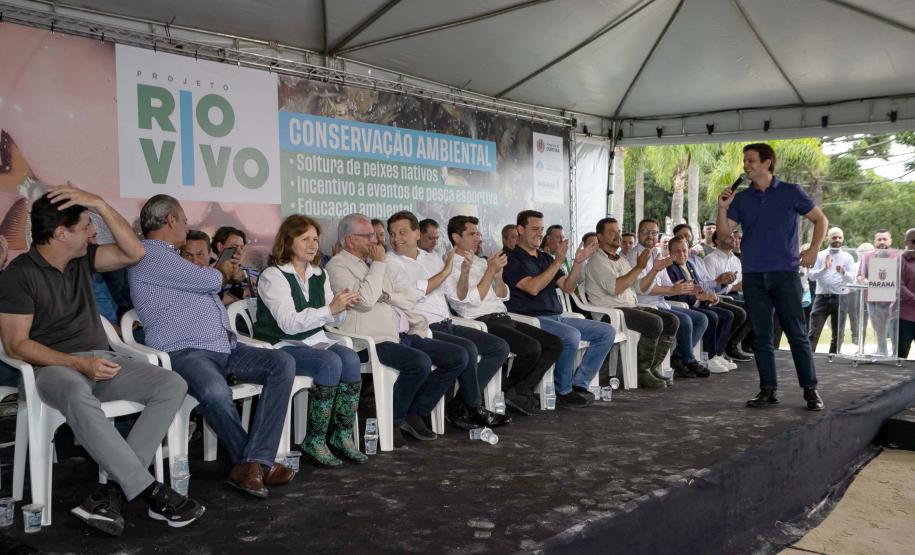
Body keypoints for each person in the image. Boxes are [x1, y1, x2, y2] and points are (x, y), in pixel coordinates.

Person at [0, 186, 205, 535]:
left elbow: (135, 250)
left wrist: (98, 202)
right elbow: (17, 345)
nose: (92, 232)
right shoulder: (19, 275)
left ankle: (110, 492)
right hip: (50, 370)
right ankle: (150, 490)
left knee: (172, 384)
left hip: (100, 361)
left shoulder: (82, 258)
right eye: (85, 226)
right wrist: (78, 364)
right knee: (77, 394)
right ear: (61, 233)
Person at [129, 195, 296, 498]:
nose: (186, 224)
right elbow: (210, 280)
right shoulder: (151, 256)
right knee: (215, 391)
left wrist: (215, 275)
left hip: (225, 347)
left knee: (282, 363)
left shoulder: (172, 259)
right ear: (170, 220)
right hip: (185, 352)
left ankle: (253, 461)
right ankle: (255, 465)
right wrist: (219, 273)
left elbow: (204, 281)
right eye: (183, 219)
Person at [326, 214, 465, 447]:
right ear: (350, 240)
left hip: (398, 334)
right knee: (419, 363)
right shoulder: (338, 266)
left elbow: (409, 296)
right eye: (369, 236)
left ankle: (414, 413)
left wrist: (386, 295)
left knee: (457, 356)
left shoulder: (371, 264)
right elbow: (367, 300)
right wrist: (379, 271)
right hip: (366, 341)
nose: (376, 240)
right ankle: (391, 421)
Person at [717, 142, 827, 411]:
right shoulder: (741, 199)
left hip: (785, 274)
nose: (746, 166)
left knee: (796, 334)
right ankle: (768, 390)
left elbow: (820, 220)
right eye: (745, 161)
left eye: (751, 160)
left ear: (767, 163)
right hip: (753, 275)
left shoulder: (791, 192)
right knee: (762, 336)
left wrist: (813, 250)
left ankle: (810, 390)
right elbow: (722, 235)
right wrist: (722, 207)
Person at [253, 214, 367, 467]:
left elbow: (331, 320)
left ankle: (341, 436)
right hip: (280, 345)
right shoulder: (273, 276)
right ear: (288, 241)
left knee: (349, 358)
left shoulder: (319, 274)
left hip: (312, 341)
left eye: (315, 239)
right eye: (305, 239)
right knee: (329, 363)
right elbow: (289, 324)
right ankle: (314, 440)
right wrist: (331, 309)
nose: (313, 244)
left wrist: (343, 306)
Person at [385, 211, 510, 430]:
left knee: (498, 346)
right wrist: (445, 271)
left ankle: (460, 404)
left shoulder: (431, 258)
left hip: (447, 322)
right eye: (392, 234)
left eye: (402, 232)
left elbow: (459, 295)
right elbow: (414, 293)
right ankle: (470, 408)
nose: (396, 239)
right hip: (421, 327)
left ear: (416, 233)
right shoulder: (391, 262)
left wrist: (463, 272)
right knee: (466, 350)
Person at [446, 215, 562, 416]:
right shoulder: (450, 265)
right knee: (531, 348)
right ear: (456, 237)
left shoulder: (481, 262)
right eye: (472, 233)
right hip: (480, 321)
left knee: (554, 344)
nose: (478, 237)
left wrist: (497, 277)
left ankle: (515, 390)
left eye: (478, 233)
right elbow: (471, 300)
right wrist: (491, 272)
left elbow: (502, 294)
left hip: (503, 316)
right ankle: (467, 402)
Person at [503, 210, 615, 408]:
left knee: (606, 331)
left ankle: (579, 384)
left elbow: (568, 287)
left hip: (557, 316)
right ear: (520, 230)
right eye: (535, 229)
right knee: (570, 335)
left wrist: (578, 262)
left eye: (542, 229)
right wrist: (557, 261)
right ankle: (563, 391)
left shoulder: (545, 258)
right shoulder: (512, 259)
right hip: (530, 319)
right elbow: (532, 288)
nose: (540, 233)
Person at [582, 217, 679, 389]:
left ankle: (651, 367)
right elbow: (615, 288)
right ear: (600, 237)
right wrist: (640, 267)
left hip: (629, 308)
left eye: (618, 231)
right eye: (611, 232)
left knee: (672, 321)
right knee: (654, 323)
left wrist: (655, 270)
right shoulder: (597, 261)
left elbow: (640, 288)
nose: (617, 235)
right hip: (609, 314)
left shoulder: (620, 259)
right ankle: (641, 373)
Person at [628, 218, 710, 379]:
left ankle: (678, 357)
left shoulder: (656, 254)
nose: (650, 236)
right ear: (639, 234)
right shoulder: (634, 255)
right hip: (643, 305)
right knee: (684, 320)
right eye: (646, 232)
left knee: (701, 319)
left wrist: (681, 289)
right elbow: (643, 290)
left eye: (654, 232)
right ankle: (688, 359)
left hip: (661, 303)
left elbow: (666, 283)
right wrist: (673, 289)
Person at [672, 223, 750, 365]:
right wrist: (715, 286)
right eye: (680, 236)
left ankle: (719, 352)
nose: (685, 239)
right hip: (694, 300)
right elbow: (685, 289)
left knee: (741, 311)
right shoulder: (677, 264)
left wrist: (715, 285)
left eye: (687, 236)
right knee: (721, 315)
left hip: (708, 296)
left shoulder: (696, 261)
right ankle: (707, 355)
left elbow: (703, 283)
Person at [663, 237, 734, 373]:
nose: (682, 254)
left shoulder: (689, 265)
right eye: (677, 251)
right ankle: (708, 356)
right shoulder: (669, 268)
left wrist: (709, 296)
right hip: (682, 305)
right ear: (669, 252)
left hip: (696, 302)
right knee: (710, 317)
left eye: (684, 251)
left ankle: (684, 354)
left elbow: (697, 288)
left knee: (728, 315)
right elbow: (673, 294)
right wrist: (699, 297)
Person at [704, 229, 754, 359]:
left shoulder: (736, 260)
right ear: (717, 241)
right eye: (728, 236)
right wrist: (730, 286)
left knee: (759, 307)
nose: (733, 239)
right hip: (718, 297)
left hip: (739, 295)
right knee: (744, 311)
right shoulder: (710, 259)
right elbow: (709, 288)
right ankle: (726, 348)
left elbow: (743, 283)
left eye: (734, 236)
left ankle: (734, 345)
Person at [806, 227, 855, 354]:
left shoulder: (848, 257)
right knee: (813, 332)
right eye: (834, 237)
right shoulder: (820, 255)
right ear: (828, 238)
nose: (837, 240)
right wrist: (824, 269)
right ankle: (809, 357)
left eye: (839, 237)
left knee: (838, 333)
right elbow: (811, 276)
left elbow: (852, 279)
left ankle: (833, 358)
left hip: (840, 297)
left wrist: (843, 272)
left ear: (843, 238)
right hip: (821, 298)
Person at [857, 230, 898, 356]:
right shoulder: (867, 257)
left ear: (890, 241)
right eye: (879, 239)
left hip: (892, 300)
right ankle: (882, 352)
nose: (882, 242)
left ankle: (896, 354)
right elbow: (859, 277)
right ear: (875, 241)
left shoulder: (898, 256)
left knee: (893, 330)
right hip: (872, 299)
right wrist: (871, 282)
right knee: (878, 329)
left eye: (884, 239)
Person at [211, 226, 252, 305]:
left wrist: (244, 276)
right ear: (220, 246)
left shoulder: (250, 271)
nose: (239, 251)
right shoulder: (208, 272)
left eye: (242, 247)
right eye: (234, 246)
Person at [898, 228, 915, 359]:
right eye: (914, 241)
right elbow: (899, 285)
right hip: (905, 318)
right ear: (906, 242)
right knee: (901, 358)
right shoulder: (900, 260)